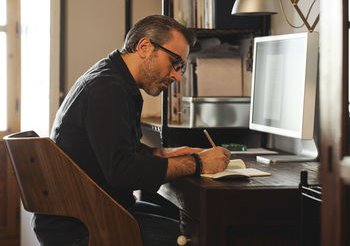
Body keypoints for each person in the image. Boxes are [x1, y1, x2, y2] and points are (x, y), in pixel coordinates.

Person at [33, 15, 231, 246]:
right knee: (202, 237)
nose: (176, 76)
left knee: (184, 222)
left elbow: (123, 153)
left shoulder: (112, 79)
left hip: (90, 211)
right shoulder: (108, 90)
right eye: (174, 62)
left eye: (181, 68)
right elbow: (121, 172)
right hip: (82, 226)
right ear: (144, 47)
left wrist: (169, 154)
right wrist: (197, 163)